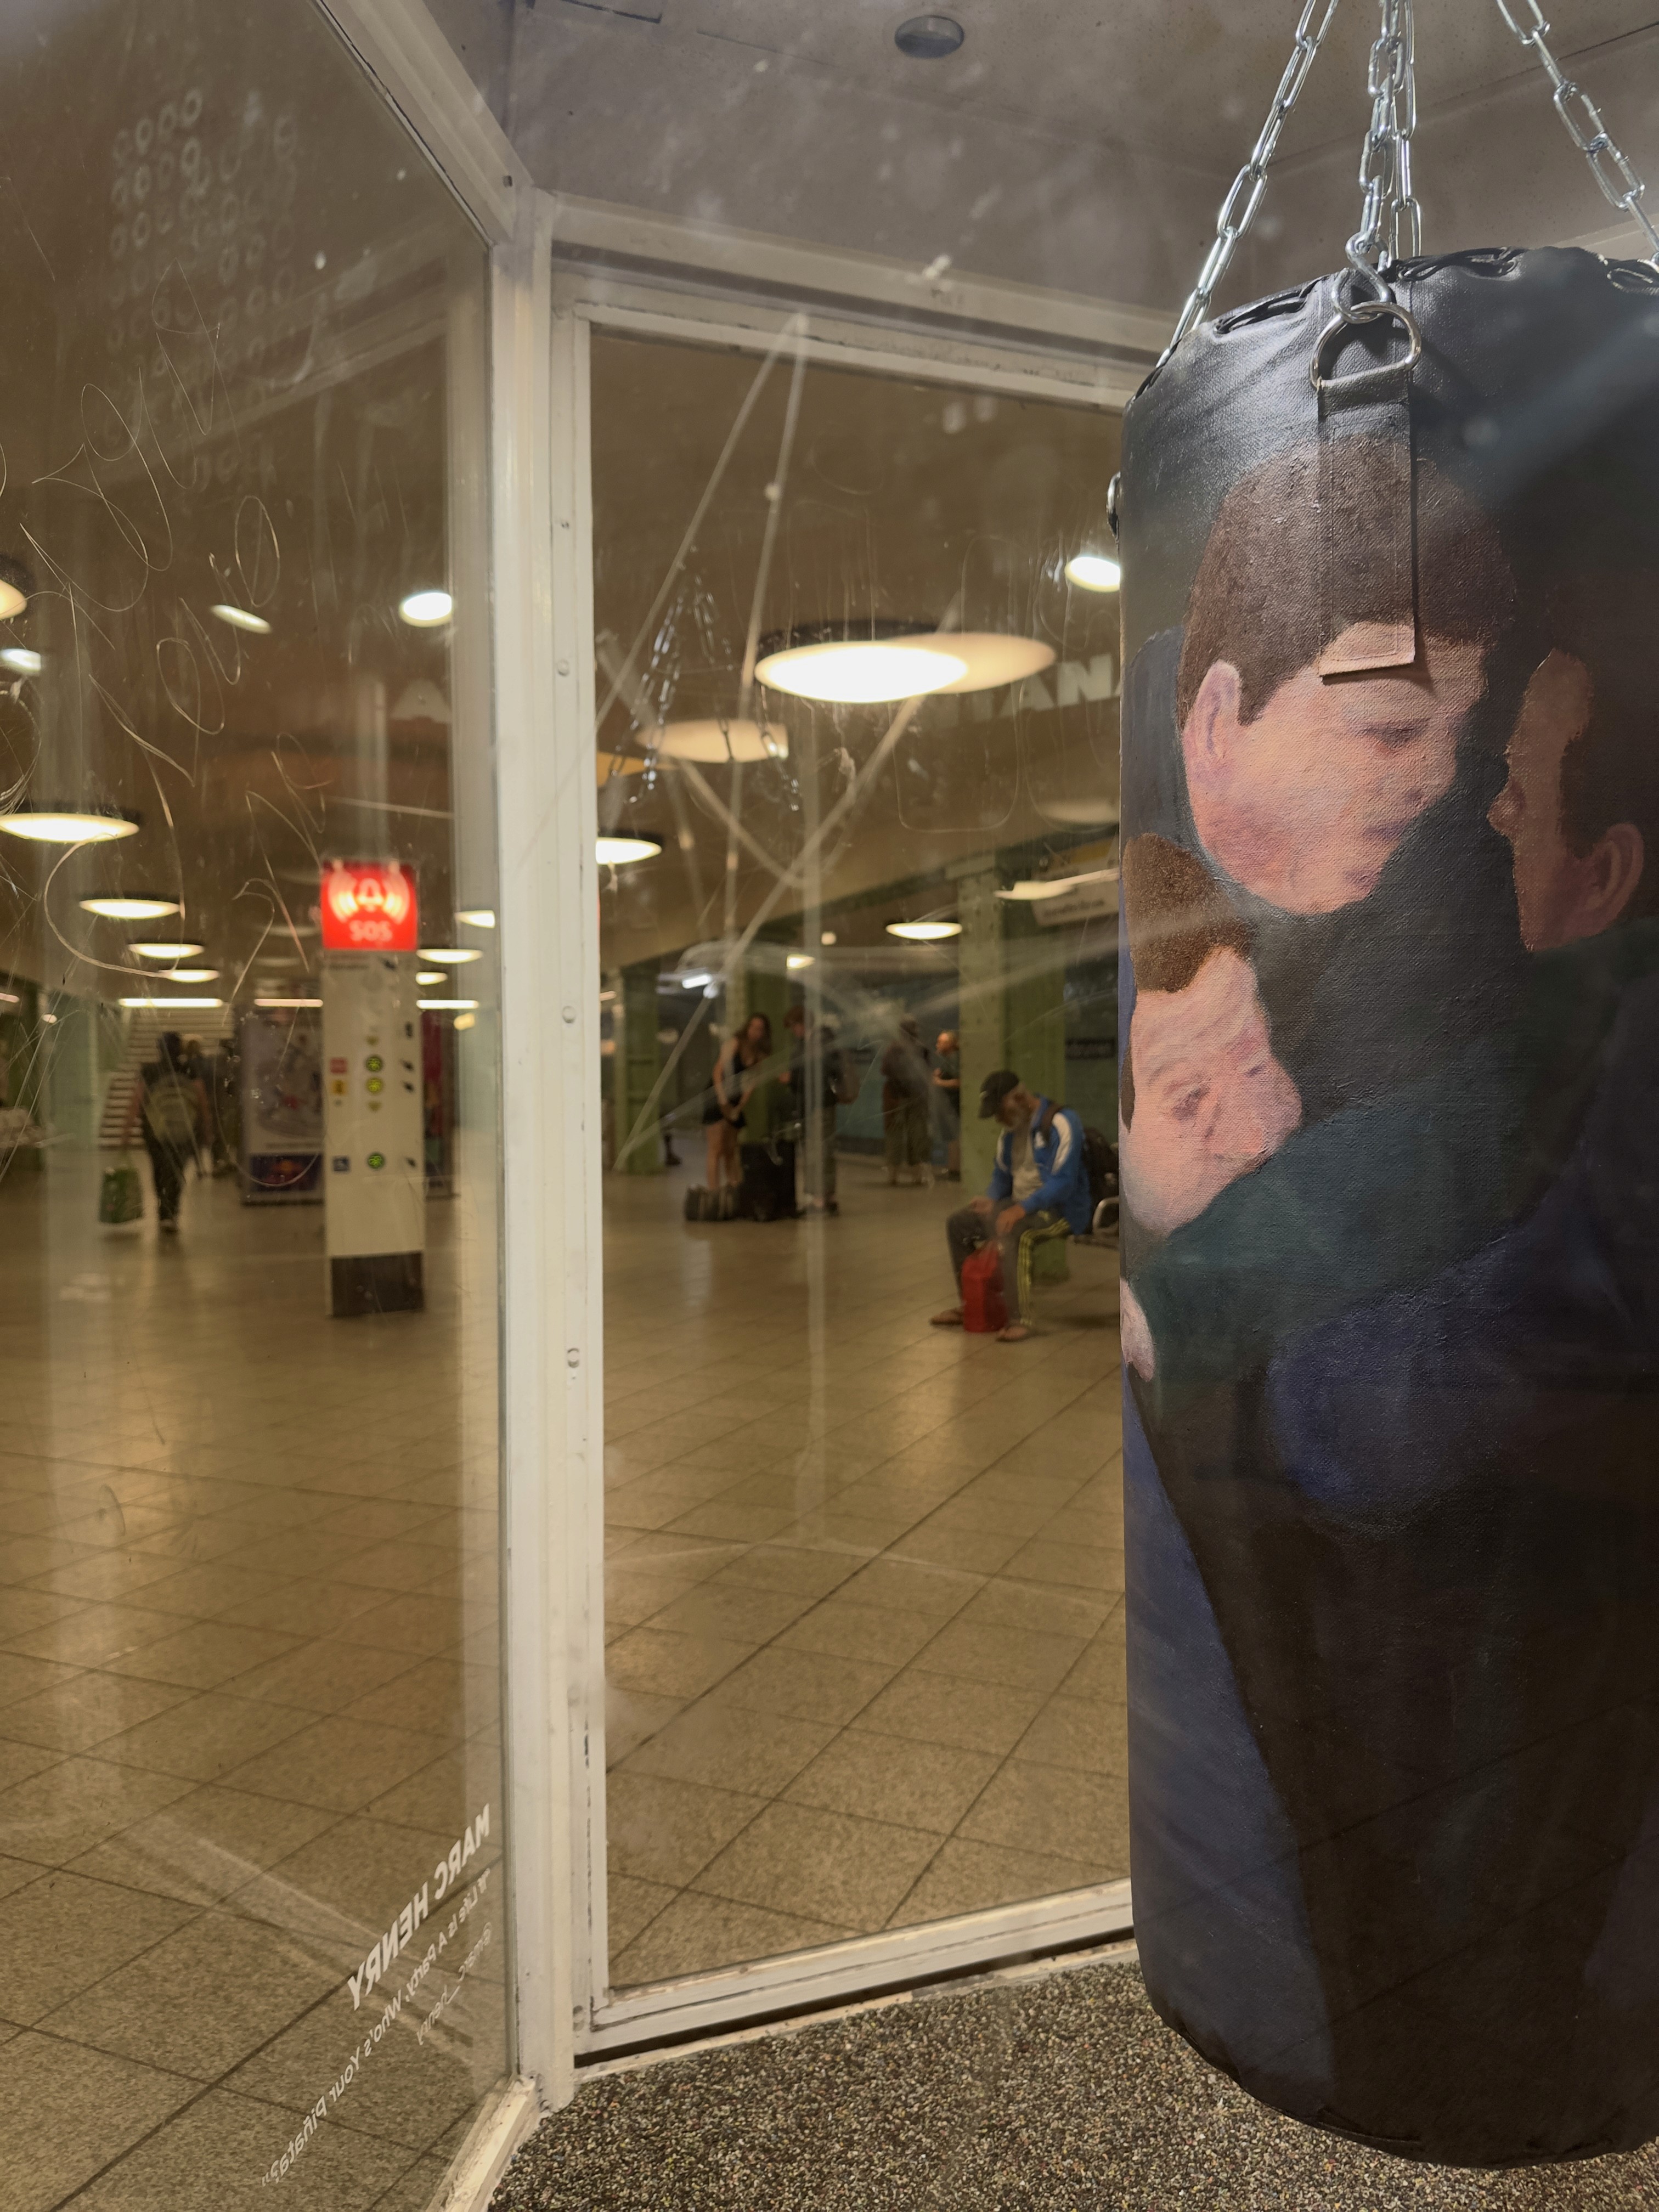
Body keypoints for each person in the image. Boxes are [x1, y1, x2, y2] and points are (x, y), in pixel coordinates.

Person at [932, 1069, 1091, 1344]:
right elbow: (1002, 1175)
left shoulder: (1062, 1122)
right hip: (1021, 1205)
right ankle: (972, 1305)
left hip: (1062, 1210)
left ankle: (1021, 1319)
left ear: (1018, 1098)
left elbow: (1064, 1183)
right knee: (959, 1224)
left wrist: (1021, 1209)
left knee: (1018, 1233)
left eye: (999, 1111)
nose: (998, 1119)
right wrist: (993, 1200)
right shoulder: (1009, 1134)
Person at [122, 1029, 207, 1233]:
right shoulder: (189, 1069)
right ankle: (171, 1212)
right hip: (184, 1131)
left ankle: (163, 1211)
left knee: (159, 1169)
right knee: (177, 1170)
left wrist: (127, 1130)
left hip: (155, 1130)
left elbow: (137, 1101)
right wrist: (206, 1127)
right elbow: (201, 1101)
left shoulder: (149, 1071)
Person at [783, 1001, 853, 1215]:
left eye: (794, 1026)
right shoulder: (823, 1041)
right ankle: (829, 1197)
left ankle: (819, 1201)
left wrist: (791, 1079)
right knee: (825, 1150)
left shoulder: (814, 1043)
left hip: (816, 1103)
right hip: (824, 1103)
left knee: (816, 1152)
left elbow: (814, 1073)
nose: (794, 1031)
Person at [703, 1012, 771, 1194]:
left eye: (760, 1029)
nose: (756, 1032)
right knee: (716, 1147)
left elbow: (751, 1083)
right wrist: (722, 1099)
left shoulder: (758, 1054)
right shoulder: (734, 1043)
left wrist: (740, 1106)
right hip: (717, 1094)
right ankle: (714, 1192)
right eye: (753, 1027)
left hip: (734, 1098)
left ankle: (734, 1188)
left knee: (731, 1148)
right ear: (747, 1027)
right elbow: (717, 1072)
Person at [881, 1015, 933, 1186]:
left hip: (896, 1097)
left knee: (894, 1133)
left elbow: (885, 1070)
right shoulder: (923, 1048)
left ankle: (893, 1175)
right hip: (918, 1096)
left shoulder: (894, 1049)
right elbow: (927, 1072)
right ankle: (918, 1174)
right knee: (918, 1134)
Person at [933, 1029, 961, 1179]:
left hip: (954, 1105)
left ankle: (955, 1170)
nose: (937, 1045)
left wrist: (939, 1082)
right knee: (952, 1138)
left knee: (954, 1138)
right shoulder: (950, 1059)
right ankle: (953, 1168)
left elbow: (959, 1082)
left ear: (949, 1044)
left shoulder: (954, 1059)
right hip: (951, 1105)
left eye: (940, 1042)